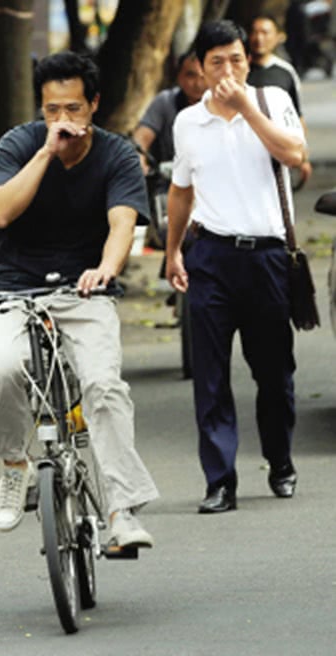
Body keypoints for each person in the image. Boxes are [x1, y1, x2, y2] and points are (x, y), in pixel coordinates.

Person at [0, 51, 159, 548]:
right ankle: (16, 463)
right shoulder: (19, 144)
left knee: (104, 385)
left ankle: (121, 511)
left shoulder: (118, 155)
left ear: (94, 105)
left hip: (84, 289)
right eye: (52, 110)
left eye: (73, 109)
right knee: (1, 368)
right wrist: (45, 154)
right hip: (15, 287)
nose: (62, 120)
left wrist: (106, 269)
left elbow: (122, 223)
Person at [165, 20, 306, 514]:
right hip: (210, 257)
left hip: (267, 256)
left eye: (237, 59)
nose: (229, 69)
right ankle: (220, 480)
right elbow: (181, 191)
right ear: (199, 70)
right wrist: (172, 250)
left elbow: (293, 153)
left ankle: (280, 459)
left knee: (274, 372)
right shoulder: (188, 122)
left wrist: (247, 106)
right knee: (210, 376)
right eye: (217, 61)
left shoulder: (271, 101)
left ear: (249, 59)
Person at [247, 13, 313, 186]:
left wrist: (303, 156)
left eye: (265, 32)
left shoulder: (286, 72)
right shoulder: (240, 70)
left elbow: (296, 116)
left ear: (278, 37)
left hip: (277, 151)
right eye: (254, 32)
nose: (259, 38)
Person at [132, 50, 207, 172]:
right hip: (167, 182)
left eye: (204, 77)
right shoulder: (165, 101)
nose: (198, 83)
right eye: (191, 75)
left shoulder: (224, 106)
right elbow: (141, 137)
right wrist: (137, 156)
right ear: (179, 77)